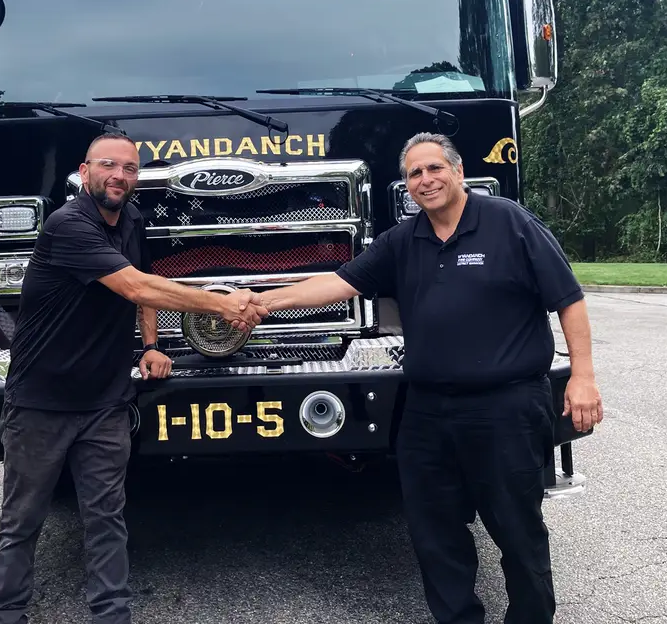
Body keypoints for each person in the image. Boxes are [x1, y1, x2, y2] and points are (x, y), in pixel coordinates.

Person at [257, 132, 603, 624]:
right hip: (426, 412)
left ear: (458, 172)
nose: (426, 180)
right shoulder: (404, 240)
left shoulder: (508, 221)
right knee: (434, 534)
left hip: (504, 408)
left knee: (517, 531)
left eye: (434, 168)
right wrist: (259, 303)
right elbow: (338, 282)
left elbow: (569, 298)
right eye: (414, 173)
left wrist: (582, 377)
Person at [0, 132, 266, 624]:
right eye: (108, 165)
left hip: (105, 403)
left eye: (130, 169)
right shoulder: (68, 226)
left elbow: (142, 286)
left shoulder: (130, 218)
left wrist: (151, 346)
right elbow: (133, 283)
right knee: (22, 520)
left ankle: (111, 614)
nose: (119, 176)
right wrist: (222, 303)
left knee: (106, 519)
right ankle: (6, 613)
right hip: (40, 406)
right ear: (84, 170)